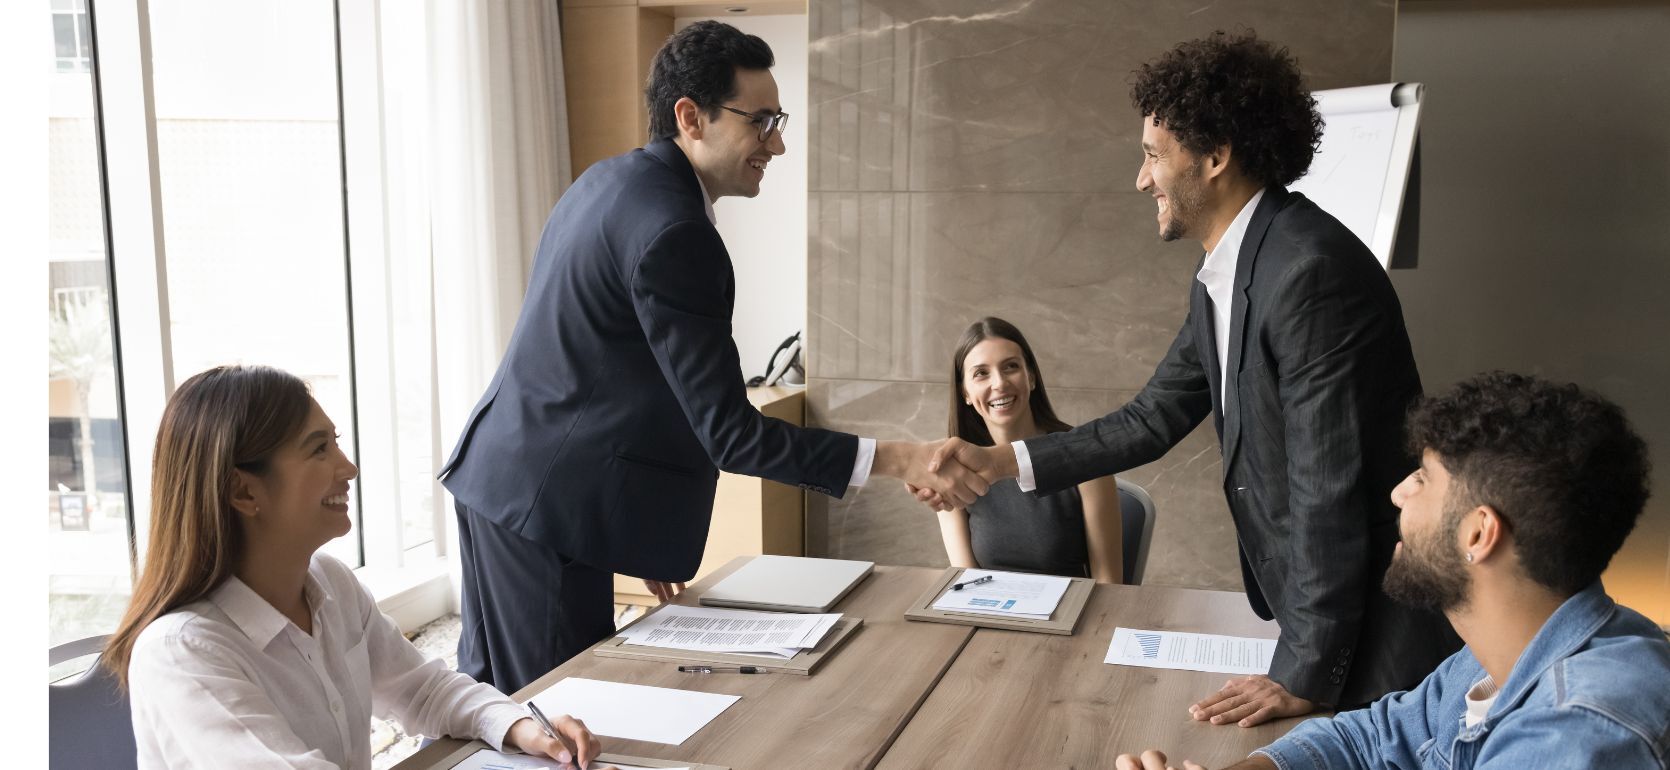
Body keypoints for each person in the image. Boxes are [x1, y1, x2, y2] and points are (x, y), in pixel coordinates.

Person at [916, 30, 1458, 725]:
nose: (1142, 179)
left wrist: (1306, 674)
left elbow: (1330, 491)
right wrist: (998, 461)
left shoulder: (1309, 273)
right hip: (1320, 621)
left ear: (1216, 157)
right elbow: (1151, 419)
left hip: (1375, 634)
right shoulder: (1226, 276)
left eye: (1151, 155)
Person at [438, 20, 985, 695]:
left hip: (506, 484)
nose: (778, 143)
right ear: (690, 117)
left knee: (493, 713)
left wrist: (637, 529)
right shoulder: (676, 230)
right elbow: (730, 435)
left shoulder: (608, 183)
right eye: (762, 122)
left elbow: (616, 373)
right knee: (557, 720)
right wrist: (901, 458)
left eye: (778, 120)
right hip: (547, 510)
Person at [1114, 371, 1670, 770]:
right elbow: (1376, 738)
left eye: (1423, 479)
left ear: (1478, 533)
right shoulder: (1500, 652)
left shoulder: (1580, 734)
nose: (1399, 492)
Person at [100, 366, 603, 770]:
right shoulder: (182, 653)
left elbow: (421, 689)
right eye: (319, 449)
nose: (348, 467)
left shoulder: (328, 581)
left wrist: (519, 725)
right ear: (244, 491)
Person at [937, 317, 1123, 582]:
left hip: (1073, 618)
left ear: (1031, 377)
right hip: (989, 616)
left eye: (1010, 367)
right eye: (981, 373)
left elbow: (1109, 586)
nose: (999, 383)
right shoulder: (953, 472)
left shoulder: (1084, 456)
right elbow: (966, 584)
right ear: (965, 392)